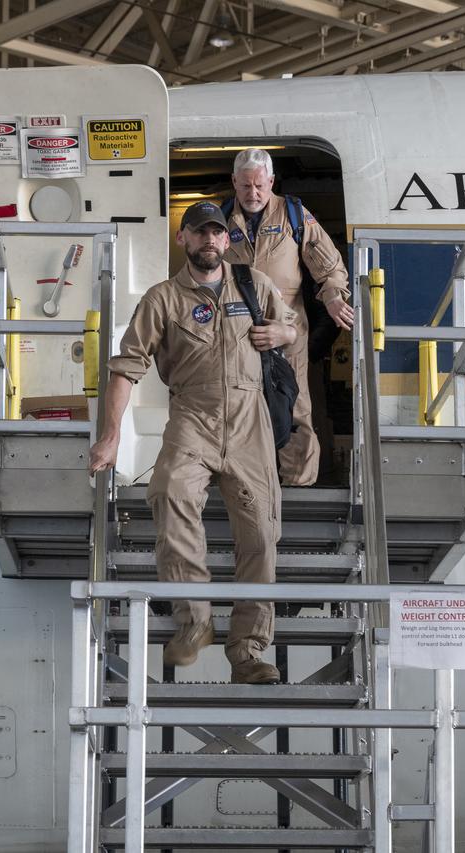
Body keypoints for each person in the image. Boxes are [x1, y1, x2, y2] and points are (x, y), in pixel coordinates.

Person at [88, 200, 297, 685]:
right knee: (169, 492)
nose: (209, 240)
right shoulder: (163, 298)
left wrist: (282, 330)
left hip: (250, 420)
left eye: (217, 233)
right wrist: (111, 435)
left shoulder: (255, 285)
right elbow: (126, 367)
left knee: (261, 534)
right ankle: (194, 621)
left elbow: (291, 326)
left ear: (227, 240)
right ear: (183, 239)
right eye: (199, 233)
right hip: (193, 414)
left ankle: (248, 653)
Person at [223, 147, 355, 486]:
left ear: (271, 181)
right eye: (245, 186)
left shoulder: (293, 215)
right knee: (239, 405)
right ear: (234, 182)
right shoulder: (220, 218)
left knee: (294, 407)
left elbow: (329, 266)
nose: (253, 194)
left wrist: (333, 299)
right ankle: (247, 484)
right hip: (236, 328)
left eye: (260, 186)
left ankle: (299, 485)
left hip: (288, 326)